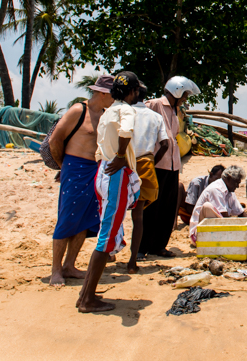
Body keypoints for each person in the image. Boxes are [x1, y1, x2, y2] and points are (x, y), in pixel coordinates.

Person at [77, 72, 143, 313]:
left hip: (103, 172)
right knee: (107, 235)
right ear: (132, 91)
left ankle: (85, 293)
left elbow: (100, 145)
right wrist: (120, 156)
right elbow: (126, 132)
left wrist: (110, 159)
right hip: (115, 174)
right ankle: (88, 299)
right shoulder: (125, 110)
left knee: (107, 230)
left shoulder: (107, 113)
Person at [48, 74, 114, 287]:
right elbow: (55, 139)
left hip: (94, 170)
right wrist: (63, 165)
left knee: (85, 219)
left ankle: (69, 265)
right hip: (74, 167)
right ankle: (55, 270)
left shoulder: (106, 115)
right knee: (67, 218)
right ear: (103, 93)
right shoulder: (79, 110)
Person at [139, 76, 196, 258]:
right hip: (157, 163)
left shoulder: (175, 110)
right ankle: (142, 247)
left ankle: (159, 246)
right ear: (177, 91)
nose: (186, 98)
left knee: (168, 207)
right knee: (151, 206)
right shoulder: (154, 104)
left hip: (172, 165)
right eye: (185, 94)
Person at [126, 83, 170, 274]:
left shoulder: (123, 113)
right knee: (139, 216)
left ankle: (109, 252)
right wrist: (152, 161)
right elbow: (166, 144)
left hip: (123, 163)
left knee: (114, 214)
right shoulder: (156, 116)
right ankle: (133, 259)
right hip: (145, 165)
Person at [189, 165, 247, 242]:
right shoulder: (216, 189)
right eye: (236, 183)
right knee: (207, 207)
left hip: (214, 231)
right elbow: (224, 219)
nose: (237, 186)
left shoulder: (230, 191)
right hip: (199, 233)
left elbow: (241, 213)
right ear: (228, 178)